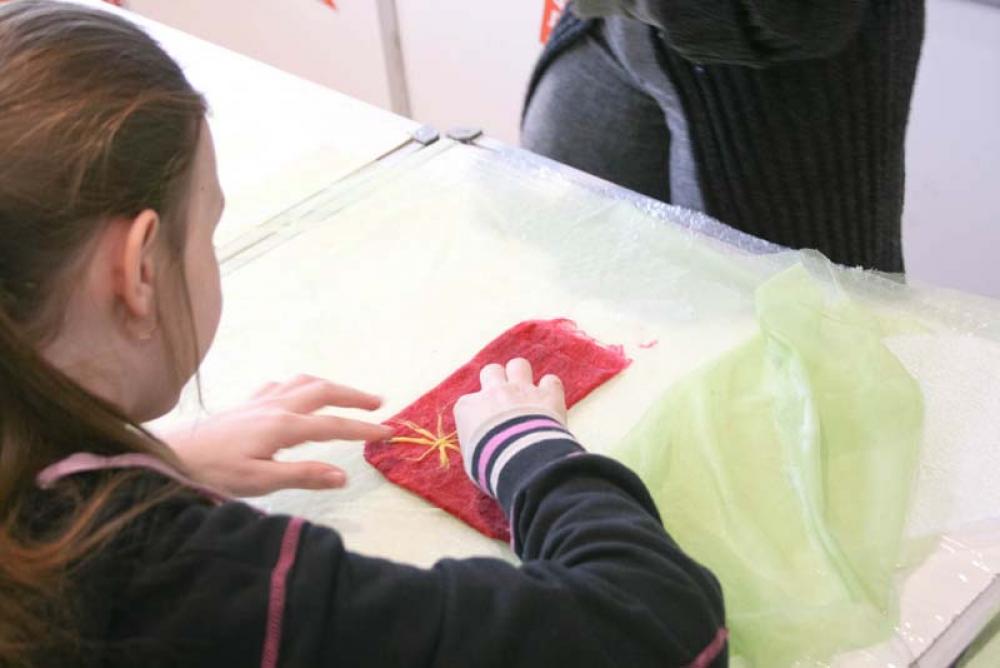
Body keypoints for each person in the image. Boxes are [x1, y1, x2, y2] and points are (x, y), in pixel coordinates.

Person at [0, 2, 727, 666]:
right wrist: (529, 452)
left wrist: (155, 458)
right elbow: (663, 631)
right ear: (138, 274)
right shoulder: (171, 579)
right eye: (207, 231)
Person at [522, 0, 925, 273]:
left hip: (782, 67)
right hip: (608, 27)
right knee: (559, 268)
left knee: (796, 330)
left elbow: (807, 17)